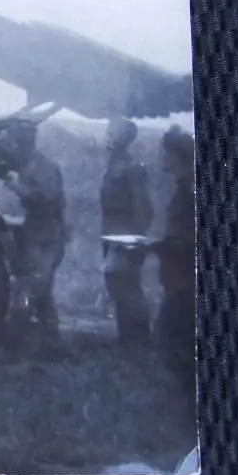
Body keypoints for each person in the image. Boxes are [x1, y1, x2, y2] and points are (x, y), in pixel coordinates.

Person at [0, 121, 68, 340]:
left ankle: (28, 338)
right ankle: (47, 335)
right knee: (39, 285)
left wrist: (17, 187)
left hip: (48, 233)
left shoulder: (45, 168)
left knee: (37, 284)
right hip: (36, 230)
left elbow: (45, 198)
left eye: (13, 144)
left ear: (23, 144)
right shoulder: (29, 165)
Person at [100, 117, 155, 344]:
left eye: (112, 133)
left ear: (123, 138)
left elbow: (143, 206)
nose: (107, 137)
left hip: (125, 236)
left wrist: (132, 240)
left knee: (127, 285)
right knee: (116, 284)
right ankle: (127, 336)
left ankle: (139, 337)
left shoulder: (131, 168)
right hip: (112, 233)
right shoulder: (114, 165)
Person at [153, 125, 197, 397]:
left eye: (166, 153)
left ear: (177, 156)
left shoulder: (190, 191)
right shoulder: (183, 188)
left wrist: (162, 245)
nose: (162, 158)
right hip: (177, 276)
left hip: (185, 279)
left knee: (174, 337)